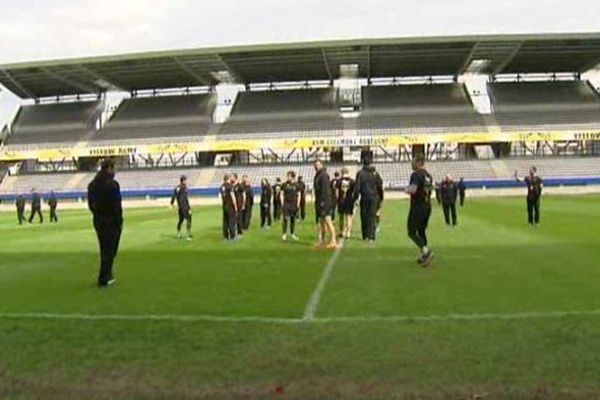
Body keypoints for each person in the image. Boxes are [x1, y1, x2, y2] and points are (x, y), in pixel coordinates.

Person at [87, 159, 123, 288]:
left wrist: (97, 214)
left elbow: (90, 204)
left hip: (99, 220)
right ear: (109, 168)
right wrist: (119, 220)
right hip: (112, 221)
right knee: (110, 250)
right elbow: (117, 205)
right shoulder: (113, 184)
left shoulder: (92, 185)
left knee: (104, 248)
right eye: (114, 168)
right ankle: (104, 277)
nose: (115, 171)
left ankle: (108, 274)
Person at [404, 155, 434, 267]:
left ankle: (426, 251)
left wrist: (406, 189)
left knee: (411, 231)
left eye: (413, 162)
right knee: (421, 231)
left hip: (418, 207)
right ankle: (424, 256)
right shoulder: (428, 175)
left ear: (418, 163)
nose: (411, 164)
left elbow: (413, 189)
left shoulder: (416, 175)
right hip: (427, 205)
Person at [354, 159, 384, 243]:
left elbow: (357, 187)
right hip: (374, 197)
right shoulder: (375, 173)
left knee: (364, 215)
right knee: (372, 216)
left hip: (365, 196)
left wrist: (356, 197)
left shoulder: (360, 174)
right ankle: (371, 236)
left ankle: (365, 235)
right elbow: (380, 186)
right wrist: (381, 198)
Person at [313, 159, 338, 249]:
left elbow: (325, 190)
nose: (317, 166)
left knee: (328, 221)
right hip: (319, 201)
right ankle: (321, 240)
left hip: (324, 201)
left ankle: (333, 240)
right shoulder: (317, 175)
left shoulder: (324, 175)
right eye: (315, 165)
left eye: (318, 164)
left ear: (322, 165)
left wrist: (323, 202)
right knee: (321, 222)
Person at [170, 175, 192, 240]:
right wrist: (189, 207)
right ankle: (188, 235)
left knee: (181, 220)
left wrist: (171, 203)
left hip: (180, 207)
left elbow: (174, 195)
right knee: (188, 219)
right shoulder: (184, 187)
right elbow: (185, 198)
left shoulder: (177, 187)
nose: (186, 181)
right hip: (185, 206)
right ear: (183, 180)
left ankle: (178, 234)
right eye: (185, 180)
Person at [336, 167, 356, 239]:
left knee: (341, 217)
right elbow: (354, 191)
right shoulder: (352, 181)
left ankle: (341, 232)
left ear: (342, 173)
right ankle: (348, 233)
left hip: (341, 200)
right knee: (349, 217)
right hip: (349, 200)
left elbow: (337, 192)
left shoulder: (339, 181)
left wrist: (337, 199)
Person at [281, 171, 301, 241]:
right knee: (285, 219)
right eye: (287, 176)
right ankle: (284, 234)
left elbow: (299, 195)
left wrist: (298, 205)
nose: (288, 177)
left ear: (293, 177)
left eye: (289, 176)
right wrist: (282, 203)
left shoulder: (297, 185)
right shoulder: (284, 184)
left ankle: (292, 233)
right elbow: (282, 193)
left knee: (292, 219)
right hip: (286, 204)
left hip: (294, 204)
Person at [220, 173, 238, 241]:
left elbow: (221, 197)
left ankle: (225, 236)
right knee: (231, 221)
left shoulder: (222, 186)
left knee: (225, 221)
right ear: (228, 178)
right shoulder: (230, 186)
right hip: (230, 206)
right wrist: (235, 206)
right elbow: (232, 197)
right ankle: (232, 236)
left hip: (225, 206)